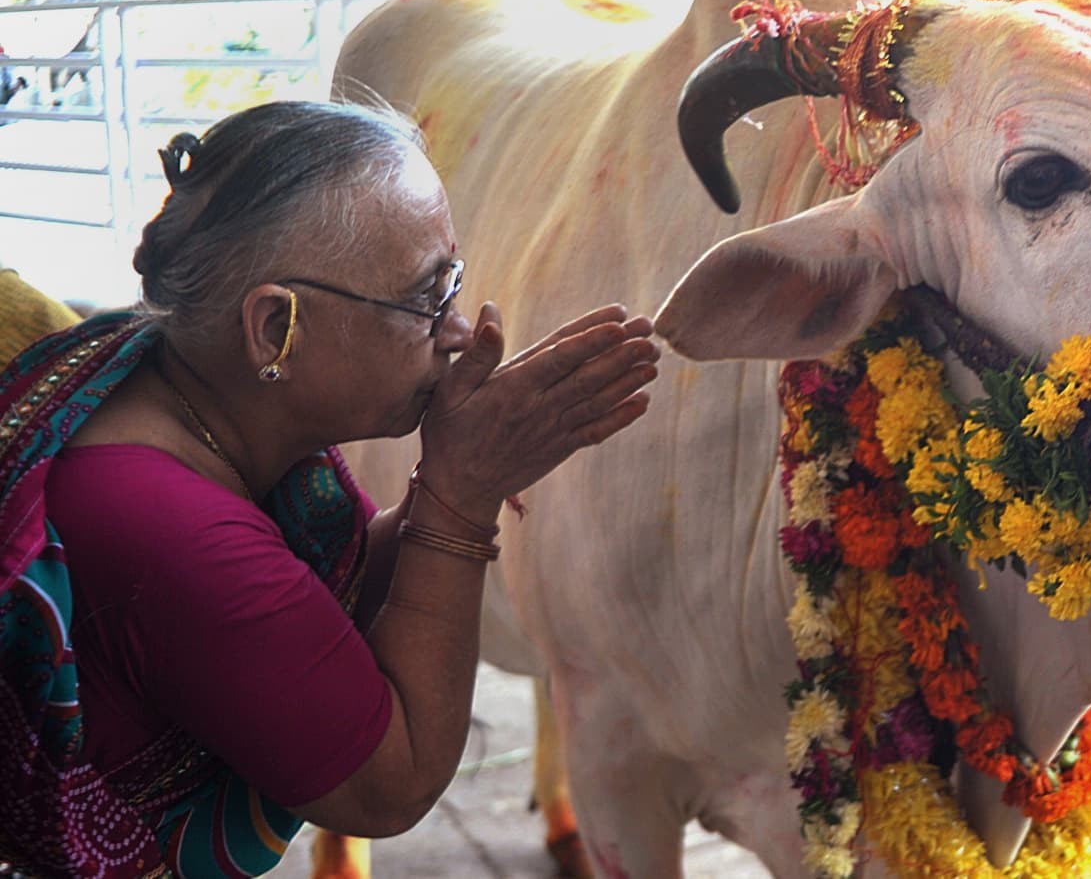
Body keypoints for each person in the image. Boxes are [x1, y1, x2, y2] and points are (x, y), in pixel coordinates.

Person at [0, 100, 661, 878]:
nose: (456, 330)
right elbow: (389, 785)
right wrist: (459, 498)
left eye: (455, 284)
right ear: (275, 327)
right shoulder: (172, 531)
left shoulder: (182, 382)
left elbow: (318, 592)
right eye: (427, 297)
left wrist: (473, 469)